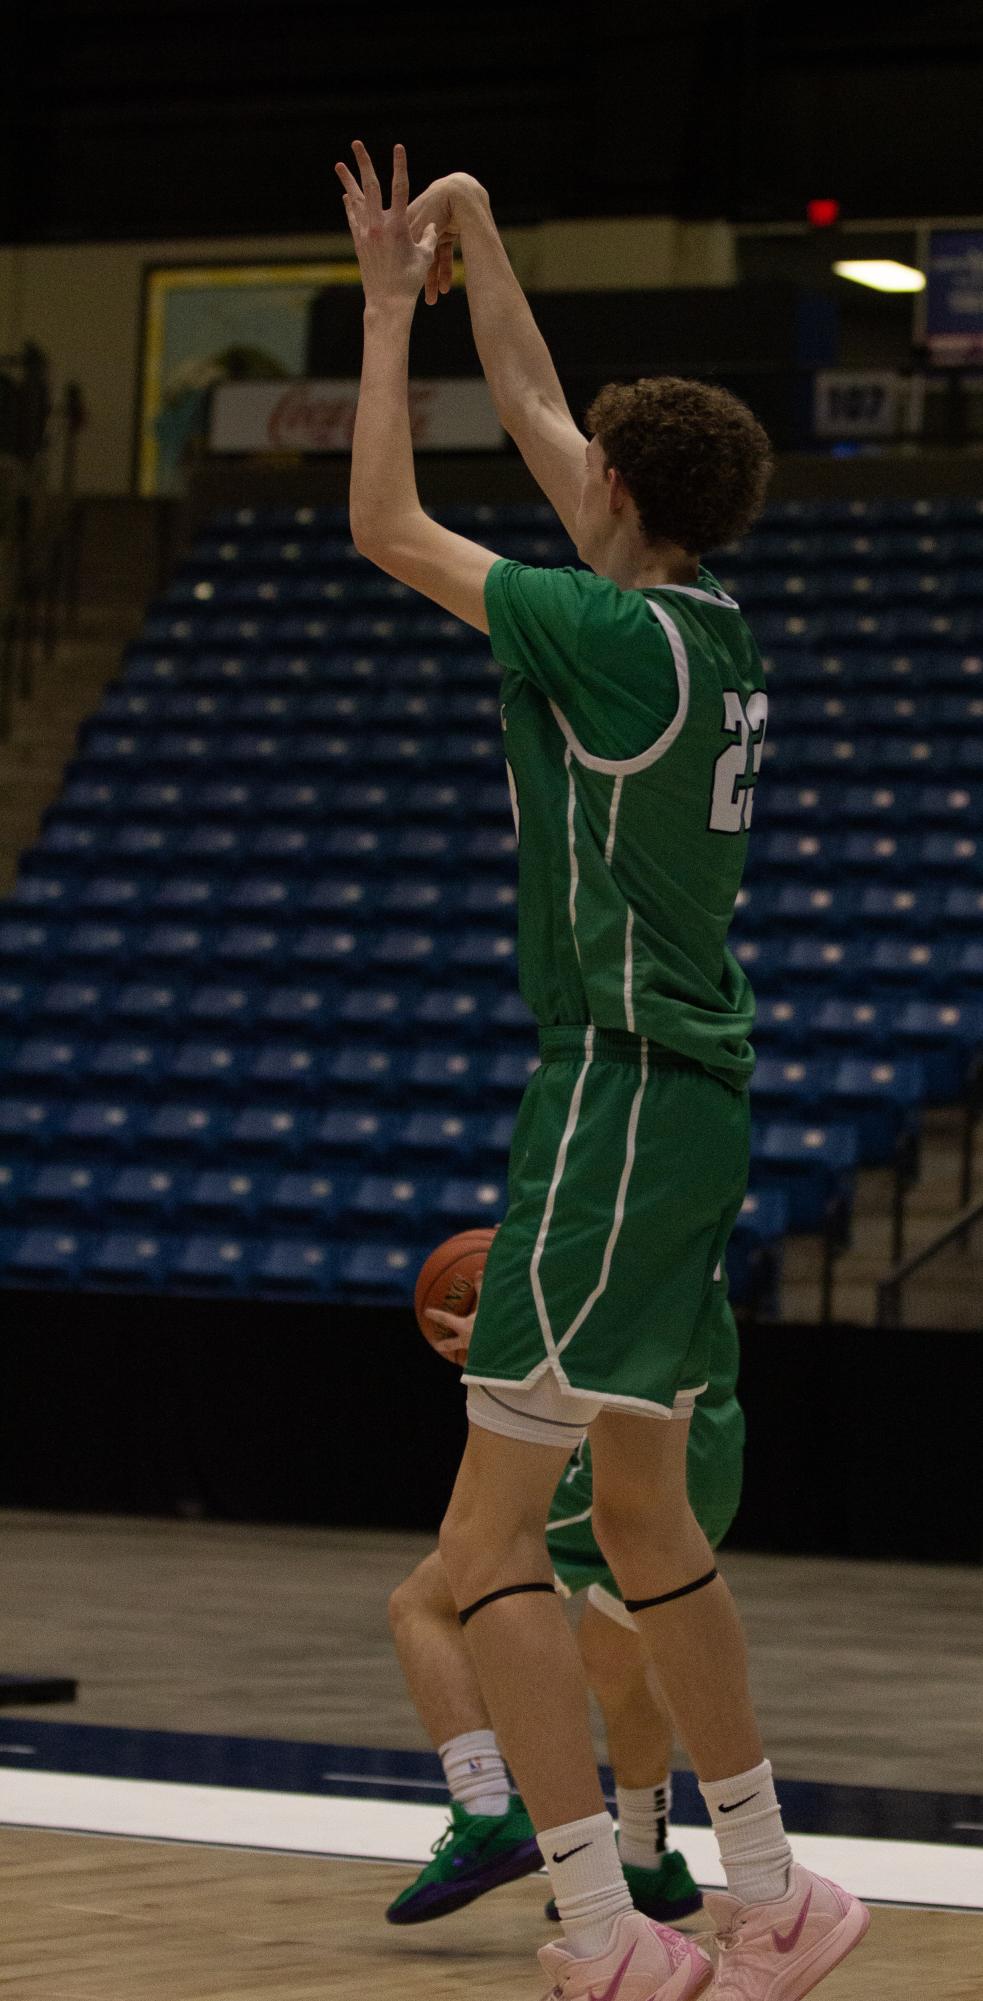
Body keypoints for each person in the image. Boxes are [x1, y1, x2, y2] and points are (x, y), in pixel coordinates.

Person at [334, 140, 869, 2001]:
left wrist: (387, 312)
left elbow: (389, 528)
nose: (565, 469)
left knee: (485, 1547)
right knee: (642, 1520)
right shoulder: (700, 624)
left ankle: (595, 1923)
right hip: (697, 1101)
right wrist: (476, 233)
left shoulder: (601, 633)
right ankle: (776, 1885)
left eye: (583, 475)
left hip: (615, 1094)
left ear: (616, 506)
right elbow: (547, 401)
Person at [386, 1271, 744, 1929]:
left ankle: (485, 1808)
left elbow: (596, 1311)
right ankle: (644, 1856)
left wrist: (505, 1344)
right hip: (707, 1442)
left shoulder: (602, 1203)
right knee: (613, 1664)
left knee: (425, 1603)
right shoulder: (693, 1194)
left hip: (624, 1446)